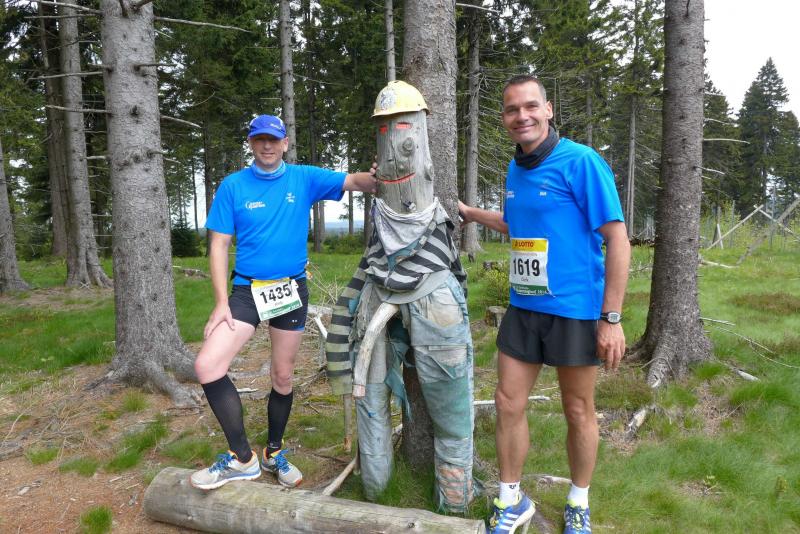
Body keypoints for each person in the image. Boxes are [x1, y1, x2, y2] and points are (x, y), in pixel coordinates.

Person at [459, 75, 630, 534]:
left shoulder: (581, 161)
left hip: (575, 310)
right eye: (512, 109)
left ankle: (578, 502)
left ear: (548, 109)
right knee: (507, 401)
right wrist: (472, 213)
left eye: (530, 106)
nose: (522, 116)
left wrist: (611, 319)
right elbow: (517, 224)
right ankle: (511, 499)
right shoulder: (516, 167)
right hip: (524, 306)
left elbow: (617, 239)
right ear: (504, 118)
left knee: (578, 409)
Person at [190, 114, 376, 490]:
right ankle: (243, 458)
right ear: (251, 143)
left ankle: (273, 452)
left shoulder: (303, 178)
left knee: (283, 376)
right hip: (247, 291)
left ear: (285, 143)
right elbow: (219, 244)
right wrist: (221, 302)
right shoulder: (233, 186)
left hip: (290, 291)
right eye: (259, 139)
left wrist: (382, 173)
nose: (267, 145)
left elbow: (357, 182)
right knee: (207, 365)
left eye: (273, 139)